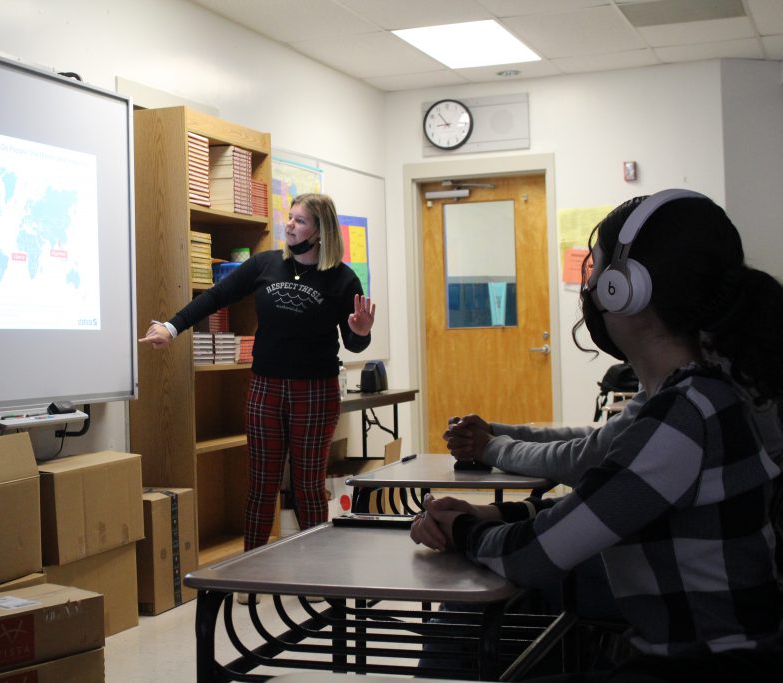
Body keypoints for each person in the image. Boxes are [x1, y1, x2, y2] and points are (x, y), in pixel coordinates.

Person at [412, 189, 783, 664]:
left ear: (625, 289)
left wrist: (460, 528)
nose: (592, 290)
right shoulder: (693, 395)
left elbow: (532, 556)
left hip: (704, 663)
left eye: (600, 270)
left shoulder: (687, 415)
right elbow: (610, 500)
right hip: (703, 652)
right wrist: (493, 516)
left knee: (469, 620)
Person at [139, 193, 376, 557]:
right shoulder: (266, 264)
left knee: (308, 487)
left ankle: (317, 574)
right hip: (265, 388)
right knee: (261, 485)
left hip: (316, 392)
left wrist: (360, 331)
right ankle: (252, 574)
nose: (290, 226)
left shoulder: (342, 280)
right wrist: (171, 328)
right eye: (290, 218)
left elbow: (355, 345)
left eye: (299, 221)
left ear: (321, 231)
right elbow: (215, 297)